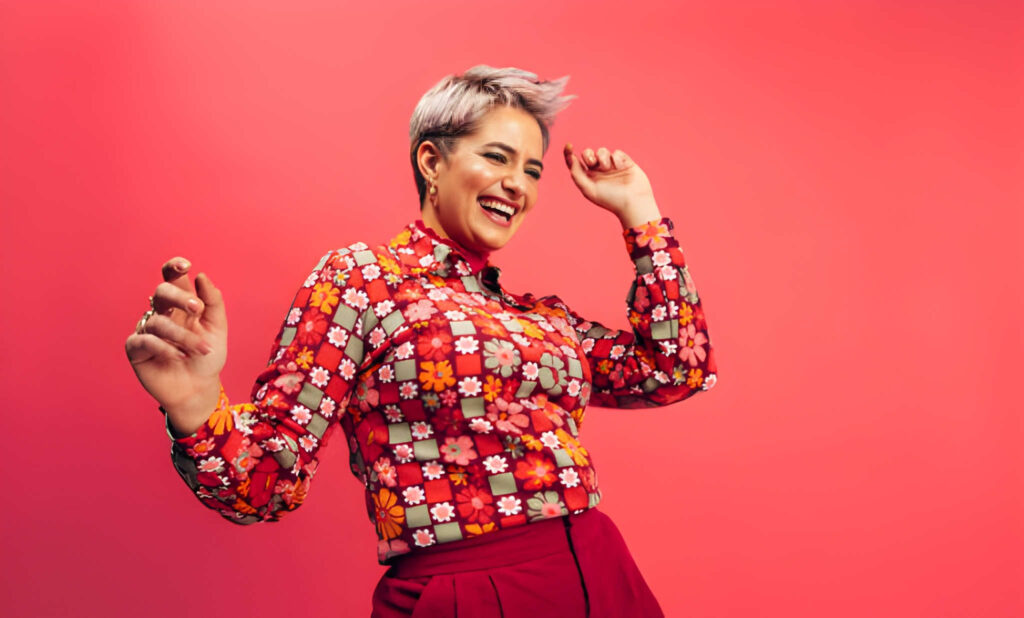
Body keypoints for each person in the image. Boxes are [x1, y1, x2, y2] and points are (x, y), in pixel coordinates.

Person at [126, 65, 717, 617]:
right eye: (497, 157)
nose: (517, 185)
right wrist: (195, 402)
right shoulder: (362, 280)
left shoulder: (539, 318)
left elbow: (674, 370)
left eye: (533, 171)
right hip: (469, 591)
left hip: (603, 572)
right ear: (432, 161)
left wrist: (640, 215)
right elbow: (263, 485)